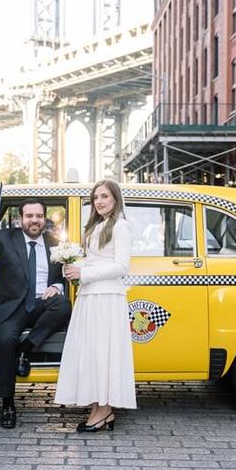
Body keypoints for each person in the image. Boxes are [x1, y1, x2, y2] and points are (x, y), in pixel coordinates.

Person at [0, 199, 71, 429]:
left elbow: (61, 276)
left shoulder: (55, 244)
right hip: (11, 306)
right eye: (29, 216)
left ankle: (25, 349)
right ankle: (8, 404)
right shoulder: (3, 238)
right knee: (4, 340)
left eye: (39, 216)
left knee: (63, 306)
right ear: (21, 219)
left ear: (44, 218)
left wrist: (57, 286)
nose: (34, 220)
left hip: (41, 303)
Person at [54, 179, 136, 432]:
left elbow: (122, 266)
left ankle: (104, 408)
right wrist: (76, 266)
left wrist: (84, 272)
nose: (99, 201)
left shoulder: (121, 226)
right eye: (96, 197)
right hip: (90, 296)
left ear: (115, 199)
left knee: (104, 353)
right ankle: (99, 407)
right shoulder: (97, 226)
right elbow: (96, 260)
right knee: (91, 353)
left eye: (104, 196)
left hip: (107, 298)